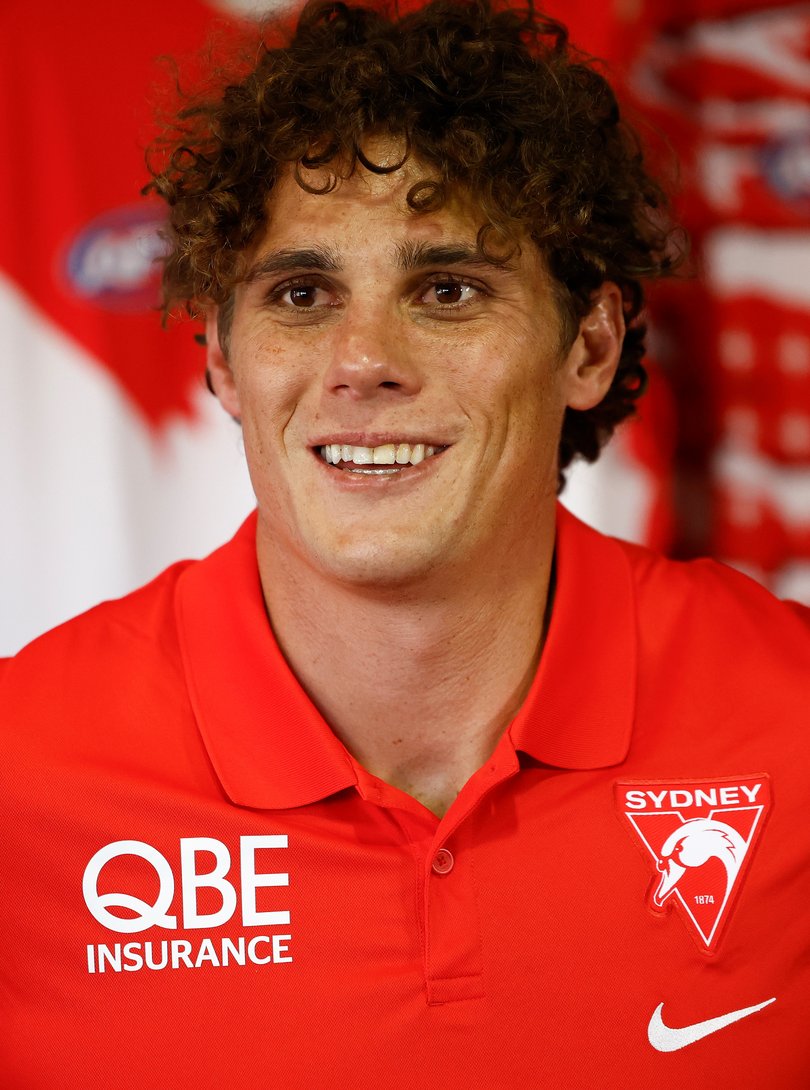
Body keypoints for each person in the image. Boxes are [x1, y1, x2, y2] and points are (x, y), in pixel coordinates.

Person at [2, 0, 808, 1086]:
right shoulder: (24, 779)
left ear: (592, 344)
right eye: (300, 293)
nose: (362, 360)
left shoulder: (791, 720)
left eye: (447, 290)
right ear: (224, 362)